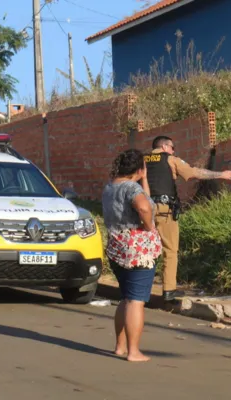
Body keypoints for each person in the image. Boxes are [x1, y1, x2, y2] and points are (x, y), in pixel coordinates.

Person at [145, 136, 231, 301]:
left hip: (143, 209)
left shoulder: (141, 161)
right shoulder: (170, 159)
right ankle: (169, 291)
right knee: (170, 250)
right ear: (165, 147)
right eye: (172, 147)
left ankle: (140, 287)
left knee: (145, 249)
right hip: (164, 210)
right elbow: (195, 173)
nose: (174, 150)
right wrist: (221, 174)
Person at [102, 149, 162, 362]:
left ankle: (120, 346)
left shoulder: (111, 186)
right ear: (138, 168)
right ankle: (133, 351)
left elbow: (144, 198)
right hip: (137, 248)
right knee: (136, 300)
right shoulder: (130, 188)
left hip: (117, 245)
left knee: (126, 298)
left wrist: (143, 179)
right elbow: (145, 206)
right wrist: (148, 226)